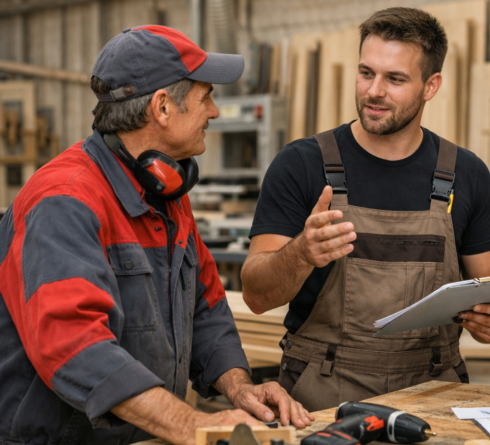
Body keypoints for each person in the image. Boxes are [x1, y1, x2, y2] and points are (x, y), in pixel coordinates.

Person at [0, 26, 311, 445]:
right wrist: (190, 424)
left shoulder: (164, 190)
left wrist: (240, 389)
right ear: (163, 107)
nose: (214, 112)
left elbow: (205, 308)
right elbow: (75, 346)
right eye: (206, 97)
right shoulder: (65, 201)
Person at [241, 7, 490, 411]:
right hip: (322, 393)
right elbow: (256, 296)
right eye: (366, 72)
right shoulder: (301, 164)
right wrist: (301, 253)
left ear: (431, 85)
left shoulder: (465, 174)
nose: (374, 91)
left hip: (433, 393)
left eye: (395, 78)